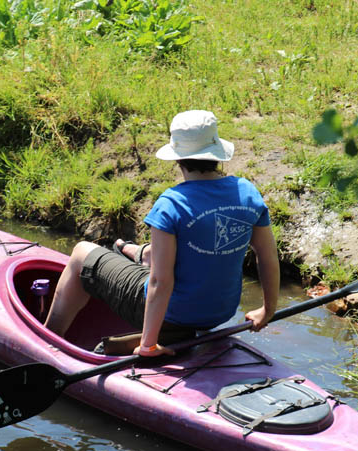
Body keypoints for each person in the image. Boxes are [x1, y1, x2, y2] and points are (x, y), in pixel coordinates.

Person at [44, 110, 280, 357]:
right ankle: (135, 251)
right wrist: (267, 310)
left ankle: (47, 341)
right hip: (219, 314)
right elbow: (267, 257)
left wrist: (148, 345)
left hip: (174, 315)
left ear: (178, 158)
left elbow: (160, 282)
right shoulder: (247, 192)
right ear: (216, 153)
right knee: (155, 256)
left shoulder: (172, 204)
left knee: (82, 252)